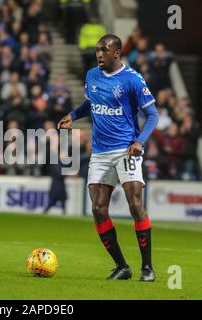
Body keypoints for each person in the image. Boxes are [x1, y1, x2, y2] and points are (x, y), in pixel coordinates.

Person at [58, 34, 159, 281]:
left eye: (104, 49)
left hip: (126, 149)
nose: (99, 53)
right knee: (98, 209)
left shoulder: (132, 80)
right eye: (97, 50)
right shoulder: (92, 75)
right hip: (100, 152)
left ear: (117, 53)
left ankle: (148, 268)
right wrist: (72, 114)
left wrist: (139, 141)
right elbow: (91, 103)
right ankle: (122, 266)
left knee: (135, 205)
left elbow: (153, 115)